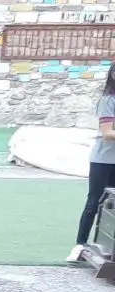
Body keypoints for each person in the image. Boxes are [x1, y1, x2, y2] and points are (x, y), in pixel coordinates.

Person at [72, 64, 115, 263]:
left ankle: (108, 246)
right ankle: (80, 244)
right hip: (103, 161)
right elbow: (107, 133)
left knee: (112, 205)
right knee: (95, 201)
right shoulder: (108, 101)